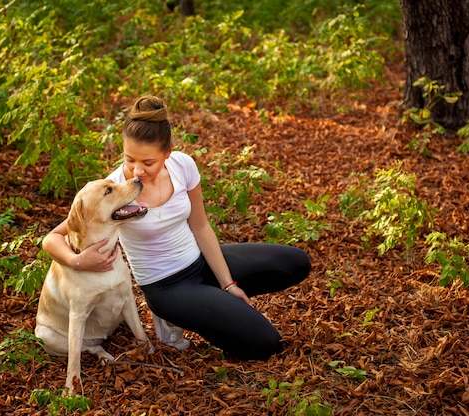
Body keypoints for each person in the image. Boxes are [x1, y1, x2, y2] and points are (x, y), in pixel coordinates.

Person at [42, 95, 311, 360]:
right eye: (129, 159)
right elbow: (53, 237)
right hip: (166, 286)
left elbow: (201, 226)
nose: (137, 171)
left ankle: (211, 300)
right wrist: (77, 260)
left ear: (167, 153)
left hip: (199, 261)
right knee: (266, 343)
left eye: (148, 162)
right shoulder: (113, 192)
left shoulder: (182, 165)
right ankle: (179, 317)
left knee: (295, 262)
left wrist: (228, 284)